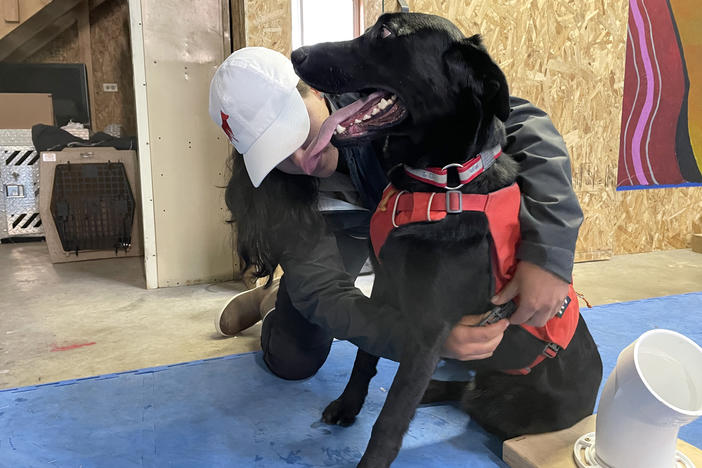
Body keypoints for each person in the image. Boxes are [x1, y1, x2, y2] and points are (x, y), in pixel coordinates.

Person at [208, 47, 583, 380]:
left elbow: (523, 123)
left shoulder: (388, 97)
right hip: (344, 232)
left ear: (317, 90)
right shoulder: (279, 191)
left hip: (416, 227)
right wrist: (421, 339)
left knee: (477, 351)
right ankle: (270, 300)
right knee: (292, 361)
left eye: (296, 132)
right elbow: (325, 293)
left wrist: (549, 254)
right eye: (276, 155)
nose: (300, 160)